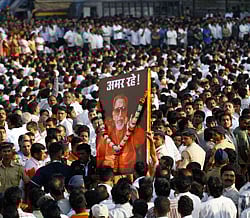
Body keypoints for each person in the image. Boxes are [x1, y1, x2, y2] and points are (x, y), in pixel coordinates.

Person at [97, 95, 145, 174]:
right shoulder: (106, 132)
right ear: (113, 114)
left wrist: (133, 130)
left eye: (123, 109)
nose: (120, 114)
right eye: (117, 110)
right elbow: (100, 156)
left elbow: (140, 141)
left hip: (129, 172)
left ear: (126, 112)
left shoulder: (132, 129)